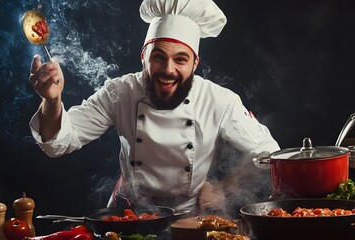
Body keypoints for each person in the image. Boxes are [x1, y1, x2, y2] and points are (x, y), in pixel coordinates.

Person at [28, 0, 280, 213]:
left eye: (180, 59)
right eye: (158, 56)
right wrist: (52, 100)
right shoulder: (119, 92)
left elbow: (269, 154)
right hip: (128, 210)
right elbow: (58, 143)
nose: (168, 70)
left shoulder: (218, 100)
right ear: (143, 57)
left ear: (195, 64)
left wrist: (223, 190)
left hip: (189, 214)